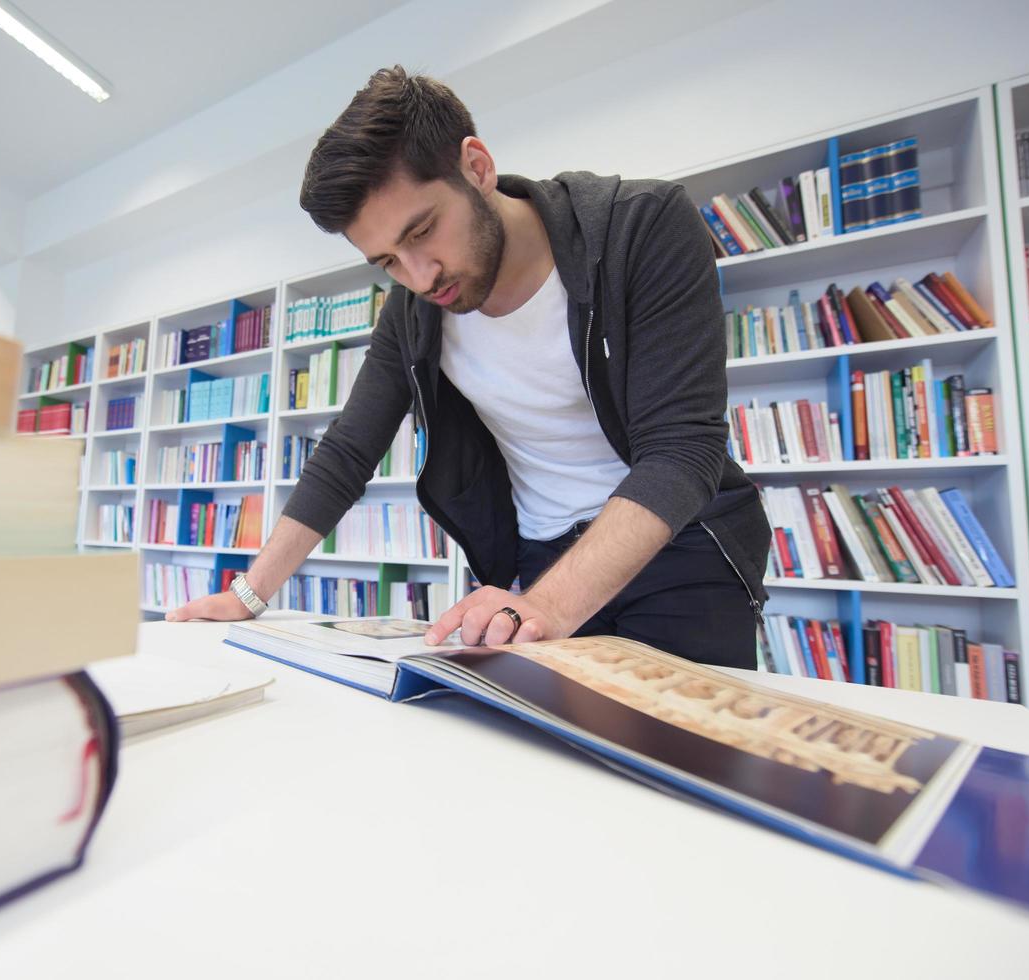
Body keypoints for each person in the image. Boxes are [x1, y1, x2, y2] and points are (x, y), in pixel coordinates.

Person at [168, 65, 770, 668]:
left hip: (684, 547)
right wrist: (249, 594)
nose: (421, 277)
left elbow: (682, 448)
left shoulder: (641, 225)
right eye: (389, 262)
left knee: (681, 752)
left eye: (424, 230)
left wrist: (549, 606)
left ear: (477, 168)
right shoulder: (412, 312)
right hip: (542, 560)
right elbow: (348, 451)